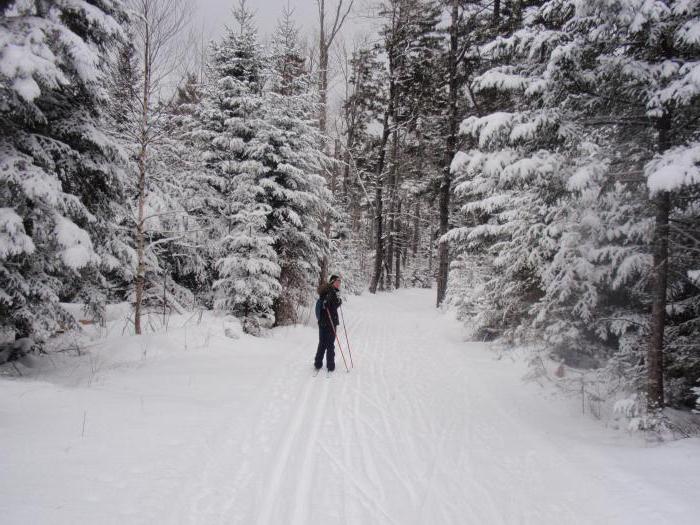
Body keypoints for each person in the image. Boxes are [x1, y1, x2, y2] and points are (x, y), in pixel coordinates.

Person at [315, 274, 342, 372]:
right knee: (329, 344)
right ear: (332, 282)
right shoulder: (330, 292)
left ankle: (318, 363)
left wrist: (338, 302)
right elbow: (327, 304)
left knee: (323, 343)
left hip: (325, 322)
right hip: (328, 322)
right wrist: (330, 303)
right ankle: (330, 365)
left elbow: (332, 306)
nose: (338, 284)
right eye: (337, 282)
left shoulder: (331, 292)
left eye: (339, 282)